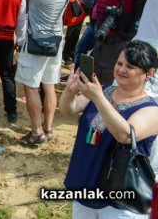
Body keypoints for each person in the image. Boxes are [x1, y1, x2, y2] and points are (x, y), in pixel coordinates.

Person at [60, 41, 158, 217]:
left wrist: (98, 98)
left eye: (131, 66)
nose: (121, 69)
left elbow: (125, 134)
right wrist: (69, 91)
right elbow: (68, 108)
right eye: (119, 63)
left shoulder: (152, 110)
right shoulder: (104, 91)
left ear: (149, 73)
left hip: (120, 201)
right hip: (85, 185)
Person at [7, 0, 71, 146]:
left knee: (30, 86)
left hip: (36, 44)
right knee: (50, 84)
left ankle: (36, 131)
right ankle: (48, 128)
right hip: (55, 42)